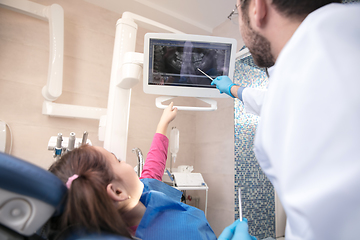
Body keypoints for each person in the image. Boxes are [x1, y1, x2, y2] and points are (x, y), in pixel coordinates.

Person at [214, 0, 360, 239]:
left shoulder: (316, 68)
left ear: (256, 8)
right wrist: (234, 90)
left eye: (236, 12)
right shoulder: (333, 44)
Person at [47, 102, 218, 240]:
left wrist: (163, 124)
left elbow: (153, 166)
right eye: (118, 160)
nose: (125, 162)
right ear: (118, 191)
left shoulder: (142, 194)